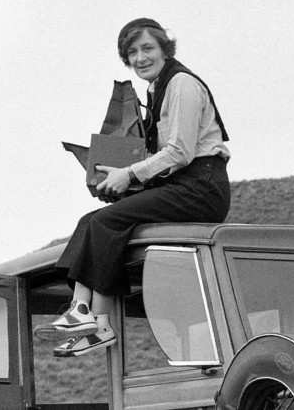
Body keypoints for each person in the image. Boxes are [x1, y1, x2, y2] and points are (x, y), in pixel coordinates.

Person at [35, 18, 231, 357]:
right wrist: (119, 175)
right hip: (182, 183)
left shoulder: (181, 83)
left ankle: (97, 322)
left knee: (106, 221)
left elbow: (180, 152)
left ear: (164, 50)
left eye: (147, 49)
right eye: (132, 52)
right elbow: (163, 155)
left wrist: (129, 174)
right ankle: (84, 314)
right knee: (90, 221)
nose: (140, 58)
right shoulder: (155, 89)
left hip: (202, 186)